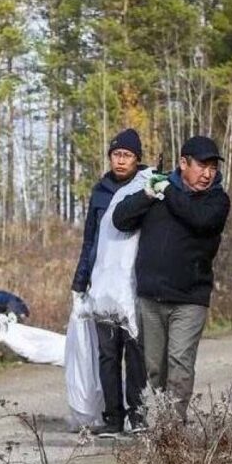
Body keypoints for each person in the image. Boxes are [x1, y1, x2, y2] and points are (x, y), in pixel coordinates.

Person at [113, 135, 230, 421]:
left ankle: (174, 428)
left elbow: (200, 220)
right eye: (202, 166)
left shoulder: (216, 200)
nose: (207, 174)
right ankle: (163, 422)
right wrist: (146, 194)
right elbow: (120, 219)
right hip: (151, 297)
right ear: (183, 163)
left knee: (179, 362)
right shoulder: (158, 191)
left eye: (213, 167)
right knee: (155, 369)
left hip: (190, 299)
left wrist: (168, 190)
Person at [71, 128, 148, 437]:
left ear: (137, 159)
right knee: (107, 352)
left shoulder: (146, 188)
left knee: (136, 351)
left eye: (127, 155)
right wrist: (80, 281)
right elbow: (90, 240)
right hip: (102, 284)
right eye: (116, 154)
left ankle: (138, 416)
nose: (121, 160)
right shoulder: (100, 192)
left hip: (134, 284)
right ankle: (113, 418)